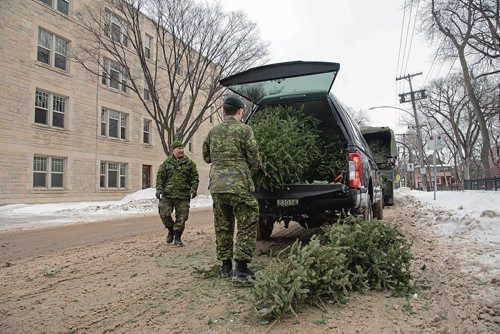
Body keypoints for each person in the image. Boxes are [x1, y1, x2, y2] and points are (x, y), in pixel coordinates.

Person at [202, 95, 262, 282]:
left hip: (218, 186)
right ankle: (242, 269)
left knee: (223, 225)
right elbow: (254, 157)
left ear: (224, 110)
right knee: (247, 222)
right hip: (238, 185)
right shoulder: (245, 130)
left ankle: (225, 266)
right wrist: (254, 168)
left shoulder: (213, 132)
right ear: (239, 111)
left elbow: (206, 157)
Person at [156, 140, 199, 247]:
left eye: (182, 148)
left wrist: (194, 189)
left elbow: (194, 177)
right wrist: (159, 189)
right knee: (164, 213)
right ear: (173, 150)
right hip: (168, 194)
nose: (181, 150)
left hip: (183, 195)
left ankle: (178, 237)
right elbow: (160, 177)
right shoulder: (166, 163)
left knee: (182, 217)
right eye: (179, 148)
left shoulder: (189, 163)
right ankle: (171, 230)